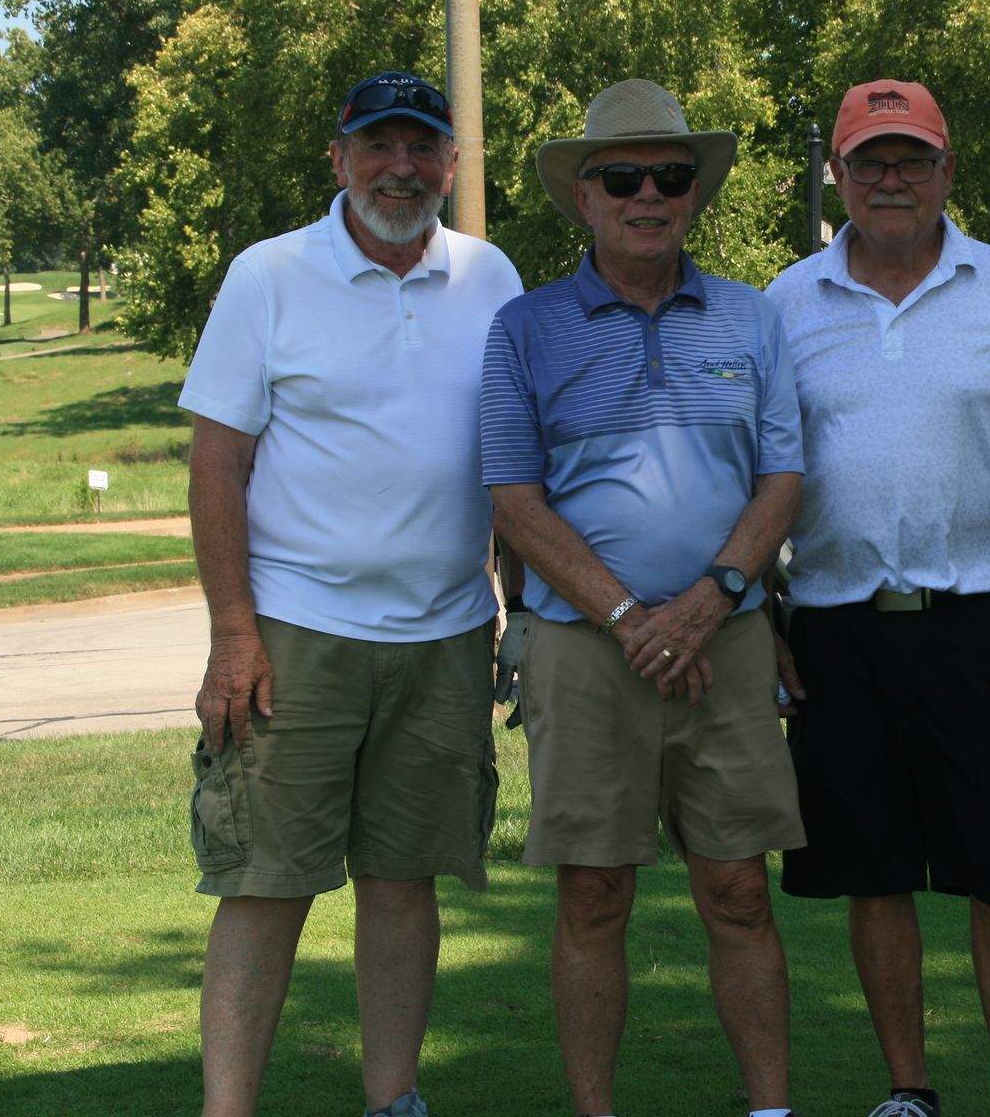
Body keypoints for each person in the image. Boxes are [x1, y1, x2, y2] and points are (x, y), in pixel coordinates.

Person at [182, 71, 523, 1117]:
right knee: (266, 880)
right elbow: (215, 462)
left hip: (448, 633)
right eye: (378, 145)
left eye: (423, 146)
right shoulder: (270, 274)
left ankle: (395, 1098)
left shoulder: (491, 275)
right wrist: (232, 632)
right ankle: (227, 1106)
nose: (401, 167)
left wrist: (517, 610)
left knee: (404, 878)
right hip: (296, 634)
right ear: (339, 158)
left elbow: (513, 464)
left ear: (453, 163)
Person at [480, 78, 806, 1117]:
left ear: (694, 192)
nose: (648, 193)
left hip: (731, 637)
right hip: (587, 648)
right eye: (624, 176)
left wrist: (706, 601)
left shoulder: (754, 318)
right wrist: (630, 617)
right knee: (592, 892)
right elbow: (514, 499)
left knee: (739, 889)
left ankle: (770, 1107)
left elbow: (783, 481)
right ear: (585, 195)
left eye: (671, 174)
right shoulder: (524, 329)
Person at [767, 79, 990, 1117]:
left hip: (984, 618)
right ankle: (908, 1085)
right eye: (870, 161)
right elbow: (763, 467)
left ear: (948, 171)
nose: (891, 179)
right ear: (841, 175)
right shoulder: (788, 298)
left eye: (911, 160)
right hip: (837, 623)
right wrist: (768, 618)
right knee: (874, 869)